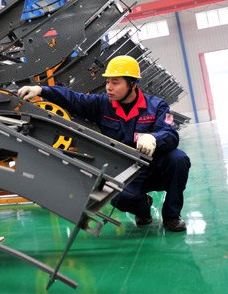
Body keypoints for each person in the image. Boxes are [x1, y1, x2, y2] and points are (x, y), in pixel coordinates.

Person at [17, 55, 190, 232]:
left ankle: (171, 216)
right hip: (128, 171)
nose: (108, 87)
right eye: (108, 82)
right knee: (117, 197)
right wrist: (41, 90)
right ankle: (143, 208)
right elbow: (73, 98)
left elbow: (171, 134)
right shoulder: (102, 105)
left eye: (115, 82)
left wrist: (154, 137)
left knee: (179, 159)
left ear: (132, 83)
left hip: (155, 166)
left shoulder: (156, 106)